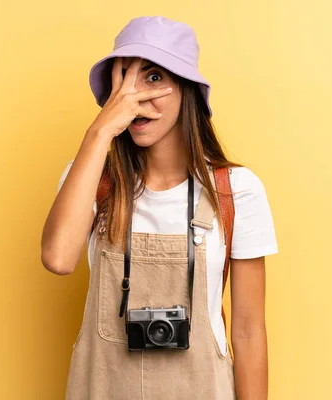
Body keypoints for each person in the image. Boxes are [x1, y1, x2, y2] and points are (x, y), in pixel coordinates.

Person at [41, 15, 278, 400]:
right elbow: (58, 258)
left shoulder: (235, 191)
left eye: (153, 78)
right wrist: (99, 132)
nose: (134, 97)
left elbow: (249, 329)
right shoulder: (91, 180)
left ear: (187, 91)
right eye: (122, 80)